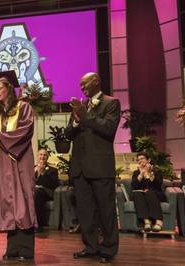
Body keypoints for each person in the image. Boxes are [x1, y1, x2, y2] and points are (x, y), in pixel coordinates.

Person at [0, 70, 36, 262]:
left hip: (19, 161)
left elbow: (25, 130)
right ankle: (12, 249)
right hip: (2, 165)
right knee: (9, 205)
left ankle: (26, 250)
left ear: (9, 89)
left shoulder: (24, 107)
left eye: (0, 88)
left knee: (23, 203)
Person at [66, 72, 120, 263]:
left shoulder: (111, 103)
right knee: (85, 212)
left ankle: (108, 249)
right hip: (81, 168)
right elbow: (68, 134)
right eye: (80, 85)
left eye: (84, 84)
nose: (82, 88)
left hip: (100, 167)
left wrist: (84, 115)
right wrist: (75, 120)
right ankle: (90, 246)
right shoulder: (81, 106)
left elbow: (108, 129)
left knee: (106, 211)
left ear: (96, 81)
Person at [131, 152, 165, 232]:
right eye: (138, 159)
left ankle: (159, 221)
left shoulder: (156, 171)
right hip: (142, 194)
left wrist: (150, 174)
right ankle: (147, 221)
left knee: (149, 192)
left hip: (156, 193)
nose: (140, 161)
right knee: (136, 193)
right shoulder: (136, 173)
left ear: (148, 160)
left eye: (142, 158)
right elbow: (134, 186)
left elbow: (158, 185)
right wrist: (141, 173)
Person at [34, 148, 60, 231]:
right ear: (37, 156)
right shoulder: (32, 168)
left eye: (45, 155)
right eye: (41, 154)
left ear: (47, 157)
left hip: (46, 192)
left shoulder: (53, 170)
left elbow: (53, 184)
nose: (42, 156)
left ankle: (38, 225)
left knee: (37, 193)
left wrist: (42, 173)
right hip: (33, 191)